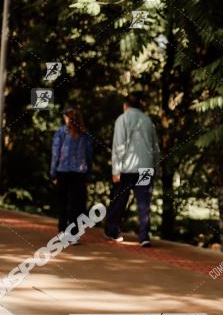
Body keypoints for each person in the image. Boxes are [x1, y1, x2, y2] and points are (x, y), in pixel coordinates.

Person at [104, 92, 160, 247]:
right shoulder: (148, 121)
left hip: (128, 168)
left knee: (120, 199)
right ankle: (144, 236)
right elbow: (155, 148)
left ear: (125, 105)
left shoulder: (122, 119)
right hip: (146, 166)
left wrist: (116, 170)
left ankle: (113, 230)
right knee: (144, 202)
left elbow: (119, 146)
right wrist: (156, 167)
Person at [50, 107, 93, 243]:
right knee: (77, 205)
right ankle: (74, 235)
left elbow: (55, 154)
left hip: (62, 172)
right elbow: (89, 156)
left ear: (67, 118)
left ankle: (63, 233)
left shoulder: (60, 133)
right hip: (79, 175)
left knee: (63, 204)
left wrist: (53, 173)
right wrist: (88, 175)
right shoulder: (85, 135)